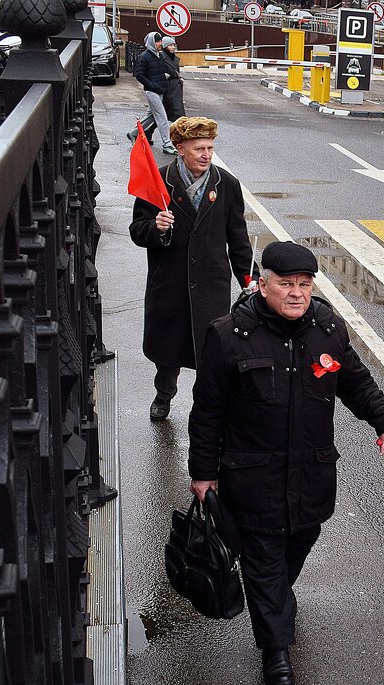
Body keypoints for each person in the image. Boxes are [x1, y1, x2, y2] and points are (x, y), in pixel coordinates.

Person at [187, 241, 384, 685]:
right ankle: (275, 650)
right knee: (264, 558)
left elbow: (356, 382)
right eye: (286, 284)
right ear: (262, 283)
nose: (296, 294)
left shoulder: (327, 328)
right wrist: (202, 473)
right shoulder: (228, 336)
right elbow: (207, 410)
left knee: (296, 546)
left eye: (304, 285)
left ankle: (272, 604)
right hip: (253, 476)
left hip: (311, 474)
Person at [129, 117, 253, 420]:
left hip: (211, 285)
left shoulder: (227, 185)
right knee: (168, 351)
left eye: (210, 147)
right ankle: (164, 393)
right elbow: (136, 230)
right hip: (170, 284)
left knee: (211, 351)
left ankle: (208, 407)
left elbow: (238, 239)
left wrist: (250, 279)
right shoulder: (160, 182)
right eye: (199, 148)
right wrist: (156, 228)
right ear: (180, 148)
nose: (206, 154)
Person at [133, 31, 175, 154]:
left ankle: (133, 133)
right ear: (152, 42)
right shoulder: (145, 56)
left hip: (159, 90)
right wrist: (152, 85)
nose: (160, 44)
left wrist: (166, 77)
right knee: (162, 117)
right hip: (152, 91)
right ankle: (167, 144)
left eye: (160, 41)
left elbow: (161, 71)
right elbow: (139, 75)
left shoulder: (159, 55)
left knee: (151, 116)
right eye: (157, 41)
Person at [160, 37, 186, 124]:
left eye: (173, 45)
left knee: (176, 112)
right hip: (168, 87)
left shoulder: (175, 58)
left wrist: (179, 79)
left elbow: (176, 71)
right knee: (168, 112)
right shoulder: (161, 57)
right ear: (165, 46)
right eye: (170, 45)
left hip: (176, 87)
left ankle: (179, 133)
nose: (173, 47)